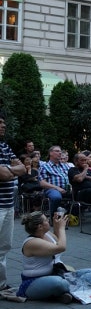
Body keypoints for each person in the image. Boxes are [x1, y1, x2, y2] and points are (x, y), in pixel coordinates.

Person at [16, 212, 91, 303]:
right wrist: (62, 228)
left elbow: (57, 241)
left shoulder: (47, 234)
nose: (48, 220)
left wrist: (56, 226)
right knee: (59, 283)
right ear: (40, 227)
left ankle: (65, 294)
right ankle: (73, 291)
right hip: (34, 282)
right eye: (46, 220)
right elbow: (61, 247)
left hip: (58, 274)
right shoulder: (31, 243)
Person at [0, 115, 25, 299]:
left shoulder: (4, 146)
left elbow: (23, 168)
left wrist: (9, 170)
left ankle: (1, 285)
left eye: (3, 123)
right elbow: (4, 174)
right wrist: (11, 170)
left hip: (8, 205)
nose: (3, 126)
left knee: (4, 246)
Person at [38, 146, 71, 216]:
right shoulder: (44, 166)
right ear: (50, 153)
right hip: (52, 189)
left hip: (67, 188)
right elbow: (42, 183)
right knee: (56, 197)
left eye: (60, 151)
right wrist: (57, 188)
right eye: (57, 151)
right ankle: (54, 217)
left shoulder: (65, 166)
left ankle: (67, 212)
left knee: (82, 194)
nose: (60, 153)